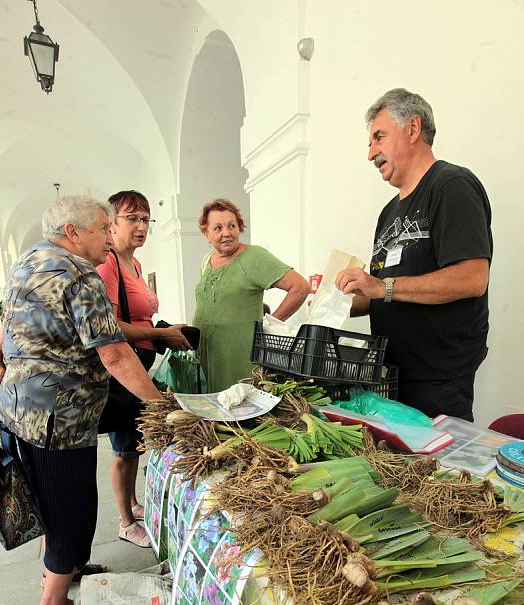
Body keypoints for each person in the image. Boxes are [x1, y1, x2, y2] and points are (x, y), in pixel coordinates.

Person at [0, 195, 163, 605]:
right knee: (73, 509)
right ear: (73, 233)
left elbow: (6, 319)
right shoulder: (80, 274)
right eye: (103, 229)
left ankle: (65, 570)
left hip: (18, 407)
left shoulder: (29, 259)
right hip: (60, 415)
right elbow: (114, 353)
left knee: (50, 501)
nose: (109, 237)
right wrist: (161, 406)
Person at [335, 88, 492, 421]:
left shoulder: (451, 185)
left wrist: (383, 287)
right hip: (390, 375)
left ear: (413, 128)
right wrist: (335, 298)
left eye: (378, 137)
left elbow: (472, 278)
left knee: (437, 471)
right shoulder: (387, 213)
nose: (370, 153)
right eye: (369, 143)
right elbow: (376, 291)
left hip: (439, 381)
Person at [97, 190, 191, 549]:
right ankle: (124, 520)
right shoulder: (107, 265)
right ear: (112, 223)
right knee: (123, 448)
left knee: (137, 443)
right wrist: (159, 333)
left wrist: (167, 332)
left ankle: (133, 503)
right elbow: (110, 327)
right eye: (132, 219)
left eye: (145, 219)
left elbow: (140, 315)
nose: (141, 226)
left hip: (145, 361)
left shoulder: (133, 264)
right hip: (125, 368)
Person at [193, 198, 310, 392]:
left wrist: (268, 325)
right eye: (218, 228)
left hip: (240, 356)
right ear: (206, 234)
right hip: (208, 354)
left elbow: (300, 287)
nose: (226, 233)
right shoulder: (207, 261)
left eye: (232, 225)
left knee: (239, 408)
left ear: (240, 228)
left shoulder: (254, 257)